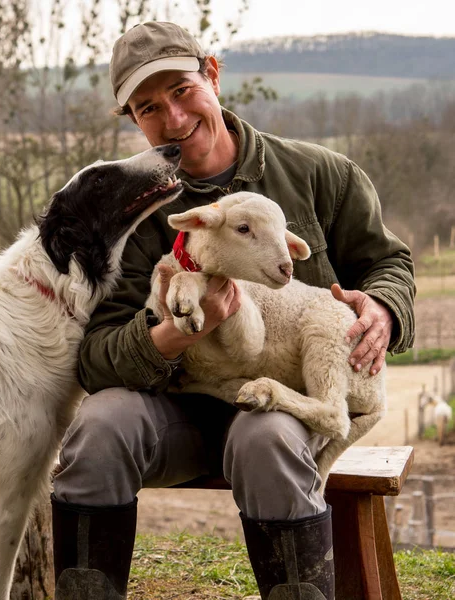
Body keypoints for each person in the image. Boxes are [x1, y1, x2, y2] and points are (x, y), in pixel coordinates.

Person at [51, 21, 415, 600]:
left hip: (280, 410)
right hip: (172, 415)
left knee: (265, 436)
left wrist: (385, 309)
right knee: (98, 426)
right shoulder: (136, 216)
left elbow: (390, 264)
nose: (171, 118)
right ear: (133, 120)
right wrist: (172, 334)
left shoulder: (318, 175)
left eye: (182, 89)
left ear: (213, 74)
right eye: (148, 107)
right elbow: (95, 359)